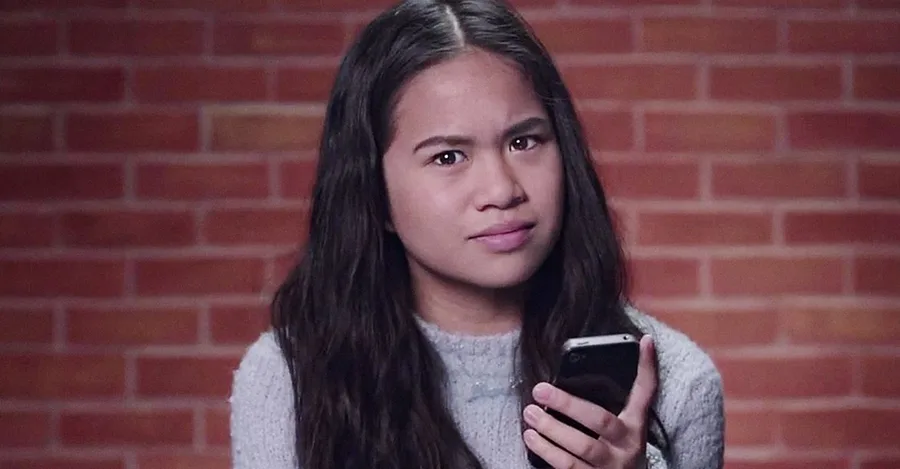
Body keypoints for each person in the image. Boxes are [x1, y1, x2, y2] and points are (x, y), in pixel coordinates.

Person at [229, 0, 725, 468]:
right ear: (373, 193)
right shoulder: (287, 377)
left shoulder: (679, 381)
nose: (502, 189)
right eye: (448, 156)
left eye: (524, 141)